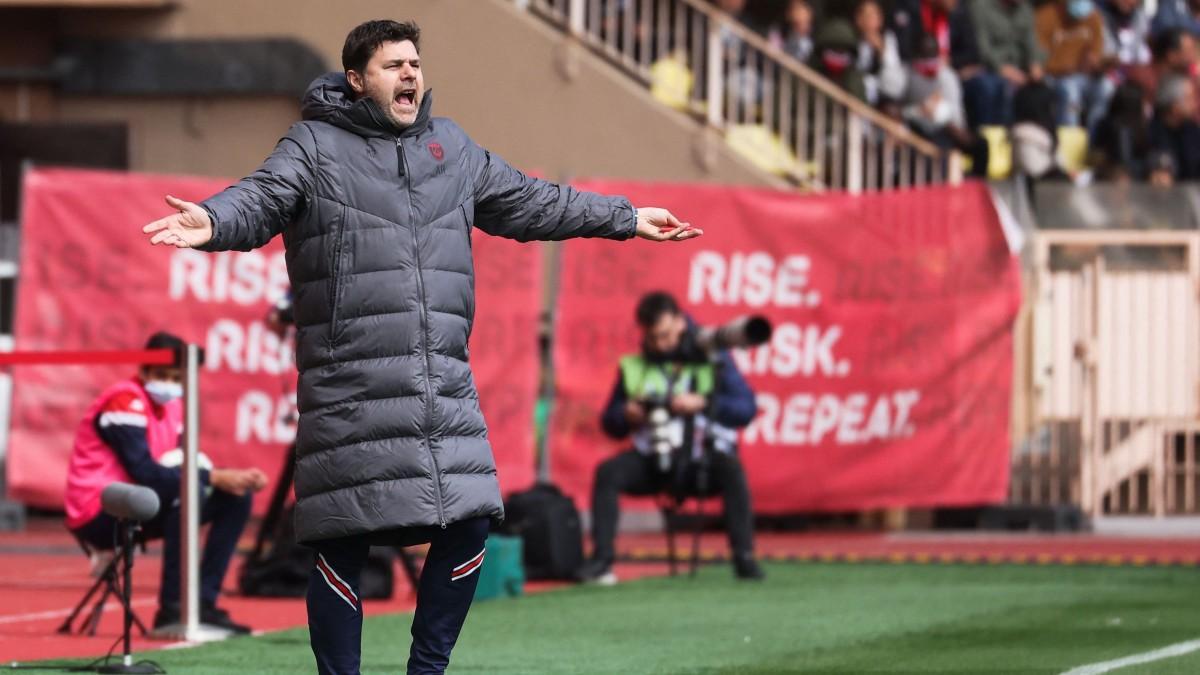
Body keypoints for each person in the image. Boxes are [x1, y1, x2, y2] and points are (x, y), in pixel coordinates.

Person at [140, 19, 701, 675]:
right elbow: (261, 198)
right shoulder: (313, 145)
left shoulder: (452, 148)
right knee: (342, 542)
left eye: (414, 63)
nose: (410, 73)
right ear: (357, 80)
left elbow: (534, 201)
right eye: (392, 65)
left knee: (471, 524)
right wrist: (213, 219)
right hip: (350, 389)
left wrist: (626, 217)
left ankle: (426, 671)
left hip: (443, 388)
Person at [65, 332, 267, 634]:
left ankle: (203, 602)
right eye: (161, 375)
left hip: (145, 502)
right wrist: (216, 477)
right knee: (189, 493)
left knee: (236, 497)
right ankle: (173, 609)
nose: (169, 384)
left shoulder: (175, 407)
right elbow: (144, 471)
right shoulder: (123, 402)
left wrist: (232, 478)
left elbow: (180, 466)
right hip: (99, 510)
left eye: (176, 378)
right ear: (144, 371)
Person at [577, 292, 761, 585]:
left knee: (732, 470)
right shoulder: (635, 366)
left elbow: (746, 409)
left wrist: (702, 403)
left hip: (700, 461)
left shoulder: (712, 356)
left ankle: (745, 558)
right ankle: (602, 561)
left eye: (665, 335)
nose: (661, 344)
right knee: (608, 472)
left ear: (680, 322)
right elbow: (610, 424)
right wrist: (627, 414)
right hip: (652, 460)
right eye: (653, 337)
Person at [1035, 0, 1115, 134]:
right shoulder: (1045, 16)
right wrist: (1065, 67)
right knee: (1070, 92)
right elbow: (1039, 61)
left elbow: (1096, 51)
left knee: (1106, 88)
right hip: (1056, 77)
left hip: (1084, 76)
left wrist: (1096, 63)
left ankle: (1094, 135)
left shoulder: (1093, 16)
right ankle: (1070, 136)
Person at [965, 0, 1047, 126]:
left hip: (1020, 69)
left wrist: (1035, 63)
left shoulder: (1025, 8)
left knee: (1046, 88)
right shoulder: (980, 6)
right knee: (998, 88)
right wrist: (1002, 69)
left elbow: (1031, 43)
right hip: (989, 68)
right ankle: (995, 133)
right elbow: (982, 48)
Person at [1148, 73, 1200, 185]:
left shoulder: (1193, 130)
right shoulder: (1151, 132)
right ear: (1174, 105)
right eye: (1189, 98)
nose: (1195, 104)